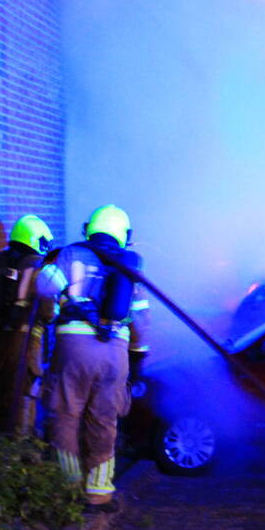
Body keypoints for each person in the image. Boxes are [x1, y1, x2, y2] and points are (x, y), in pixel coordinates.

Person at [37, 204, 150, 512]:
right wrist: (137, 362)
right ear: (124, 233)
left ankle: (68, 489)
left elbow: (45, 293)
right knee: (104, 420)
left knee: (65, 416)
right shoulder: (129, 266)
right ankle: (99, 493)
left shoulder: (70, 254)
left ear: (89, 228)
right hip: (115, 353)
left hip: (73, 349)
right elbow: (141, 322)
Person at [0, 214, 56, 435]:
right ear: (37, 239)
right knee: (24, 393)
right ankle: (21, 446)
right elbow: (48, 313)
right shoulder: (37, 268)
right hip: (25, 342)